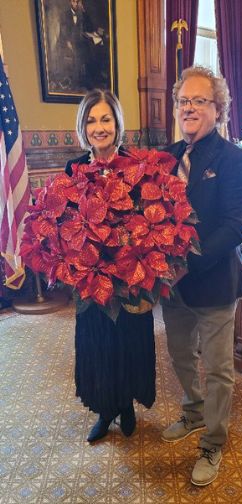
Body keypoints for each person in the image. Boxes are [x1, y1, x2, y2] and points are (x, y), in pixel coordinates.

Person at [159, 66, 242, 487]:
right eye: (184, 101)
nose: (189, 108)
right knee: (180, 355)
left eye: (200, 100)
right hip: (171, 287)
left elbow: (234, 227)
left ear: (218, 109)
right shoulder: (164, 159)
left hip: (213, 281)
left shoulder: (235, 159)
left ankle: (213, 441)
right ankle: (194, 413)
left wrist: (189, 262)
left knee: (217, 369)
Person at [65, 89, 155, 443]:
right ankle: (105, 411)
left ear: (117, 123)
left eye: (105, 119)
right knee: (98, 343)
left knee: (128, 342)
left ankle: (127, 405)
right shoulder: (74, 168)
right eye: (91, 120)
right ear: (83, 126)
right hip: (91, 280)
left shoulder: (136, 167)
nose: (98, 127)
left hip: (129, 278)